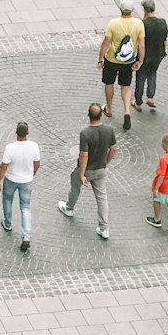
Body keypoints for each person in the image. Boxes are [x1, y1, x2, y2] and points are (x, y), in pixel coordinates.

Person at [58, 102, 117, 241]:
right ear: (101, 115)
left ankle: (69, 207)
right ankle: (104, 228)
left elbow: (84, 155)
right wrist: (106, 162)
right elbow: (113, 148)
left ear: (88, 115)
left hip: (87, 169)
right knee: (102, 198)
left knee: (75, 185)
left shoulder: (85, 133)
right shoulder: (109, 130)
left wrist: (81, 173)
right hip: (101, 169)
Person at [99, 0, 145, 130]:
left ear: (120, 8)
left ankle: (109, 108)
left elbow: (106, 43)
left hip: (112, 59)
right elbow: (141, 45)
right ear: (132, 9)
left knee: (109, 83)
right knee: (126, 86)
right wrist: (140, 61)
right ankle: (127, 111)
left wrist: (100, 59)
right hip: (129, 60)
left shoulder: (113, 23)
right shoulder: (138, 24)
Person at [0, 121, 40, 250]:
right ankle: (26, 236)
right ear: (27, 133)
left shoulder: (10, 148)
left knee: (7, 199)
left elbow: (3, 167)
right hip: (26, 180)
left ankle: (8, 223)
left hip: (11, 179)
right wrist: (32, 174)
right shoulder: (34, 146)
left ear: (16, 133)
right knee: (25, 207)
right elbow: (37, 163)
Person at [134, 0, 168, 110]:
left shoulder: (142, 24)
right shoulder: (162, 22)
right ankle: (150, 97)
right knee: (152, 74)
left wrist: (140, 59)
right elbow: (164, 39)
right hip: (158, 55)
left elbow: (140, 44)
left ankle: (138, 102)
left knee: (141, 78)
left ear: (144, 10)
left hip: (146, 56)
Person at [146, 132, 168, 234]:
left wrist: (156, 188)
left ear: (165, 145)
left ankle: (157, 219)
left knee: (157, 200)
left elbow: (162, 175)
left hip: (163, 186)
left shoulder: (164, 159)